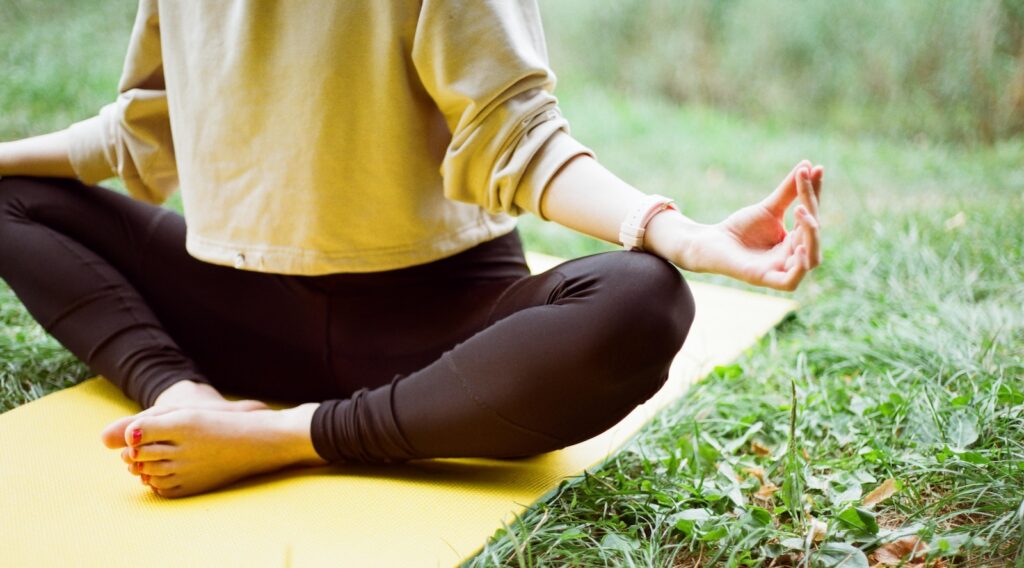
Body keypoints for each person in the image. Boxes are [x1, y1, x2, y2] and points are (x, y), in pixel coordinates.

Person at [0, 0, 823, 499]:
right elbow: (145, 129)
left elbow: (521, 138)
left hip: (437, 328)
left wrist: (681, 235)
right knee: (10, 199)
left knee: (646, 299)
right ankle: (189, 400)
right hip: (240, 305)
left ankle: (287, 438)